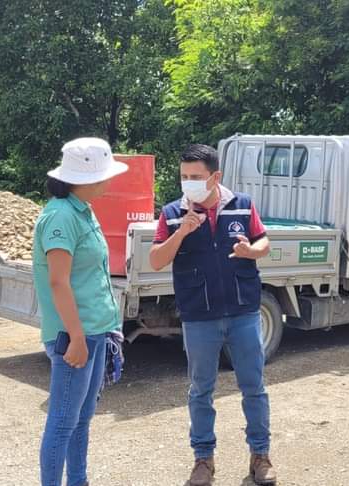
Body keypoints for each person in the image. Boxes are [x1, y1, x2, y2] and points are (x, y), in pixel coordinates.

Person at [148, 144, 276, 486]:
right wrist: (182, 231)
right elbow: (157, 259)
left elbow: (264, 242)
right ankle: (203, 460)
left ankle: (260, 456)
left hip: (243, 311)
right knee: (200, 391)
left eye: (196, 177)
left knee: (254, 387)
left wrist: (252, 250)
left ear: (215, 177)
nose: (188, 183)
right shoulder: (172, 212)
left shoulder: (243, 205)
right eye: (184, 177)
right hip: (199, 317)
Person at [34, 137, 128, 486]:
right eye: (105, 175)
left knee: (81, 418)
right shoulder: (61, 216)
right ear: (85, 178)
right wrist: (75, 337)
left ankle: (79, 480)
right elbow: (59, 281)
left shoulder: (82, 209)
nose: (109, 181)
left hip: (96, 328)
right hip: (75, 332)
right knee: (62, 421)